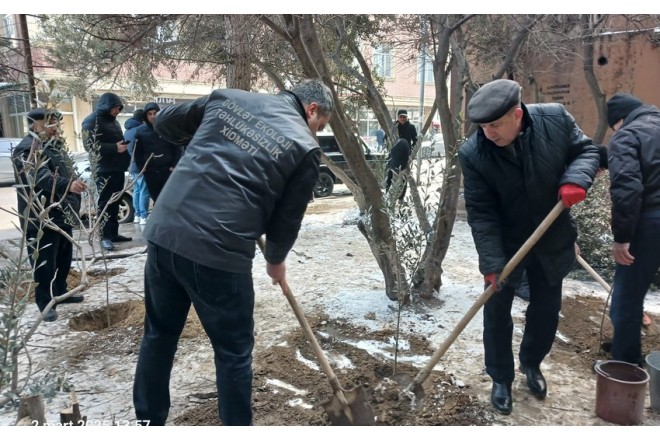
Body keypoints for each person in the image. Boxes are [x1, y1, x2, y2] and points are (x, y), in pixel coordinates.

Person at [132, 79, 334, 426]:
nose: (316, 132)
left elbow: (164, 120)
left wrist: (205, 141)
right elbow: (287, 220)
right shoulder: (305, 147)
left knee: (159, 334)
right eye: (320, 126)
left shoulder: (228, 99)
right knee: (233, 353)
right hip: (219, 252)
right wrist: (276, 261)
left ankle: (148, 422)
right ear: (312, 109)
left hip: (165, 233)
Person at [458, 79, 599, 415]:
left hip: (551, 236)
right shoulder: (473, 153)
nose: (488, 133)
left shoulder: (555, 119)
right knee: (496, 314)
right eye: (482, 126)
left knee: (546, 311)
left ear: (517, 114)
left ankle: (531, 364)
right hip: (506, 244)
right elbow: (482, 213)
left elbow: (587, 151)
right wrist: (492, 263)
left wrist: (576, 179)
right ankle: (501, 378)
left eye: (495, 125)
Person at [12, 109, 86, 322]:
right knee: (44, 262)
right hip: (40, 216)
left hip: (61, 212)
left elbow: (65, 171)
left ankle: (60, 293)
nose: (56, 129)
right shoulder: (26, 150)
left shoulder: (53, 147)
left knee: (63, 257)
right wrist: (68, 185)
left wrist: (73, 185)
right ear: (36, 125)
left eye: (57, 124)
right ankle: (45, 303)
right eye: (51, 124)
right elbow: (40, 178)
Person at [605, 93, 660, 366]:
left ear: (620, 120)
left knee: (626, 299)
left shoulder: (627, 136)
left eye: (613, 127)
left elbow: (627, 189)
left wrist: (622, 238)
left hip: (650, 222)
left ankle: (625, 366)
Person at [81, 92, 131, 251]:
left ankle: (113, 233)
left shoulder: (114, 122)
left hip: (117, 168)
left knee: (115, 202)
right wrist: (115, 148)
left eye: (119, 108)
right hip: (103, 169)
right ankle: (104, 237)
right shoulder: (90, 121)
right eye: (116, 108)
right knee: (105, 204)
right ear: (107, 107)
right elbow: (90, 146)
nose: (118, 111)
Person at [133, 102, 183, 204]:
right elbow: (137, 152)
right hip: (150, 172)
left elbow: (177, 148)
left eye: (155, 113)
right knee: (156, 198)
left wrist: (174, 165)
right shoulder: (140, 131)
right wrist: (142, 168)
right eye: (149, 114)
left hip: (167, 170)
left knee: (168, 199)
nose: (152, 116)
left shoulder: (167, 128)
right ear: (145, 116)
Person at [124, 109, 150, 225]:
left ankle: (137, 215)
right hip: (140, 165)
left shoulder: (127, 131)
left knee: (137, 191)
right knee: (144, 190)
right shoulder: (140, 130)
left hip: (131, 165)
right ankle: (144, 216)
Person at [385, 138, 411, 202]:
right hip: (402, 166)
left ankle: (388, 196)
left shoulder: (395, 146)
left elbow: (390, 156)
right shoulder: (405, 144)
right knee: (403, 182)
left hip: (393, 165)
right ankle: (401, 198)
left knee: (390, 180)